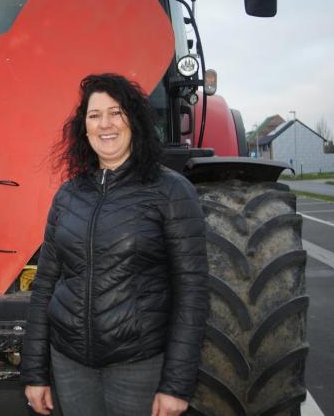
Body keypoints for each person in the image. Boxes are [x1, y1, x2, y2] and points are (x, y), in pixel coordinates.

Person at [21, 74, 209, 416]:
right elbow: (45, 285)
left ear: (133, 120)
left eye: (116, 112)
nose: (105, 124)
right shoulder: (68, 195)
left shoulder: (171, 191)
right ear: (84, 128)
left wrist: (176, 385)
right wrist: (35, 371)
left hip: (138, 366)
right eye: (94, 116)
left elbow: (192, 292)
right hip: (71, 365)